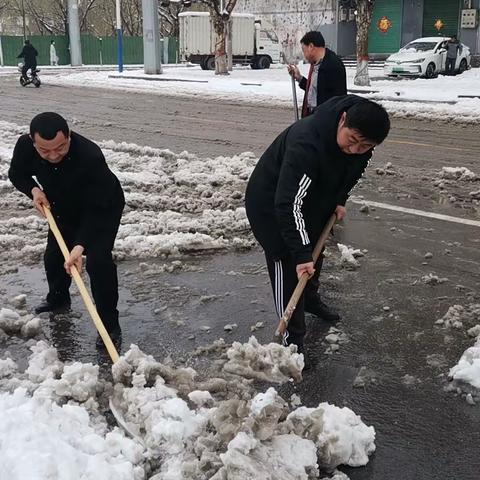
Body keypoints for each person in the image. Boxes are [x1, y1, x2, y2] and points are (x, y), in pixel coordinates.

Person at [245, 95, 390, 368]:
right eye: (353, 139)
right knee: (291, 266)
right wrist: (299, 254)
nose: (356, 149)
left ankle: (310, 300)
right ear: (343, 120)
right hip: (273, 206)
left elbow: (354, 169)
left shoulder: (361, 142)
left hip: (313, 198)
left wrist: (340, 199)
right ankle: (291, 339)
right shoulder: (307, 142)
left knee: (314, 254)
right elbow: (288, 203)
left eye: (366, 146)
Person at [8, 112, 125, 345]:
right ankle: (58, 299)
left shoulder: (89, 156)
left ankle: (109, 326)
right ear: (33, 142)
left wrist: (80, 246)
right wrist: (33, 190)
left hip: (102, 206)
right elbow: (17, 174)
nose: (53, 156)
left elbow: (95, 210)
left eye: (60, 148)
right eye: (44, 151)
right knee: (54, 256)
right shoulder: (25, 146)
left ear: (69, 137)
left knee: (98, 262)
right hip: (61, 204)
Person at [287, 31, 347, 118]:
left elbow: (338, 98)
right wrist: (299, 78)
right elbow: (315, 90)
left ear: (311, 47)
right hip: (314, 116)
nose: (304, 55)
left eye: (304, 51)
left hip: (324, 119)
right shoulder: (316, 64)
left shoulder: (332, 65)